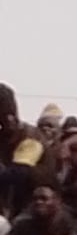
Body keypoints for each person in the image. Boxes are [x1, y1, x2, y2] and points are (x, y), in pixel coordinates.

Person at [0, 84, 46, 216]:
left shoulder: (31, 136)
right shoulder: (4, 138)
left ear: (9, 117)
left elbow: (18, 174)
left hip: (35, 210)